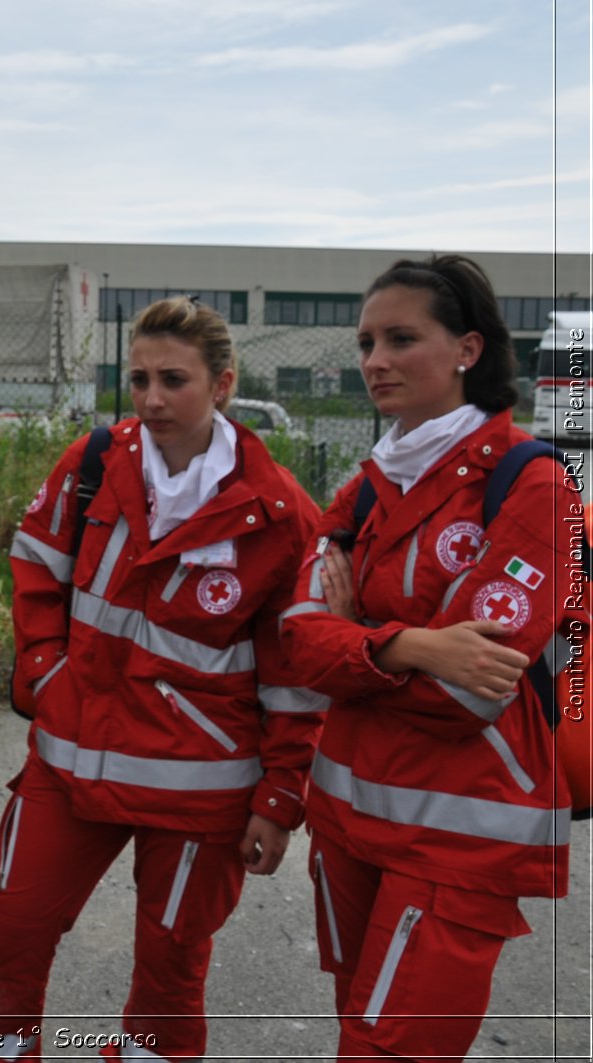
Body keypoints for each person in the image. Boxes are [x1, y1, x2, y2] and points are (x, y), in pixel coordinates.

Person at [0, 297, 324, 1062]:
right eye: (139, 378)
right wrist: (44, 675)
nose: (152, 398)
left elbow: (296, 674)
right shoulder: (93, 465)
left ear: (222, 385)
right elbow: (35, 570)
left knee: (171, 968)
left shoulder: (280, 512)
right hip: (72, 761)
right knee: (10, 930)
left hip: (202, 790)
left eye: (174, 380)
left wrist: (282, 796)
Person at [281, 255, 581, 1061]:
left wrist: (357, 638)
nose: (374, 359)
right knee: (358, 1031)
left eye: (401, 337)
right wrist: (412, 642)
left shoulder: (535, 486)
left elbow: (466, 698)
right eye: (367, 340)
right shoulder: (375, 482)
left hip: (457, 839)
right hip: (350, 822)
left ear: (468, 349)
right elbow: (300, 640)